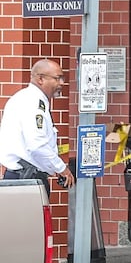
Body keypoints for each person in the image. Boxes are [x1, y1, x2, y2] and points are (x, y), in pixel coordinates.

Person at [0, 59, 75, 194]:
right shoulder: (33, 102)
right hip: (26, 181)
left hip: (24, 179)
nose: (62, 83)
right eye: (57, 78)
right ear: (40, 79)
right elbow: (37, 144)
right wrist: (61, 168)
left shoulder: (28, 98)